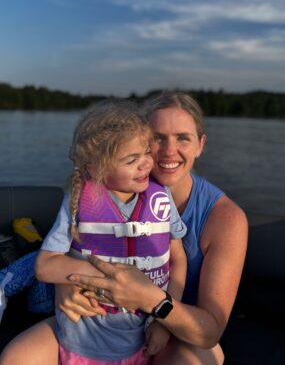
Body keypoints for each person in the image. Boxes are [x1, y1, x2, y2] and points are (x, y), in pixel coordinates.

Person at [0, 91, 248, 365]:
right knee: (16, 357)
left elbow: (208, 332)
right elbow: (60, 257)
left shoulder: (226, 219)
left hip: (169, 328)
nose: (167, 151)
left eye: (183, 138)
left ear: (200, 145)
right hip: (96, 321)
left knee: (201, 359)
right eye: (156, 138)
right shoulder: (100, 191)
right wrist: (66, 285)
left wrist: (155, 306)